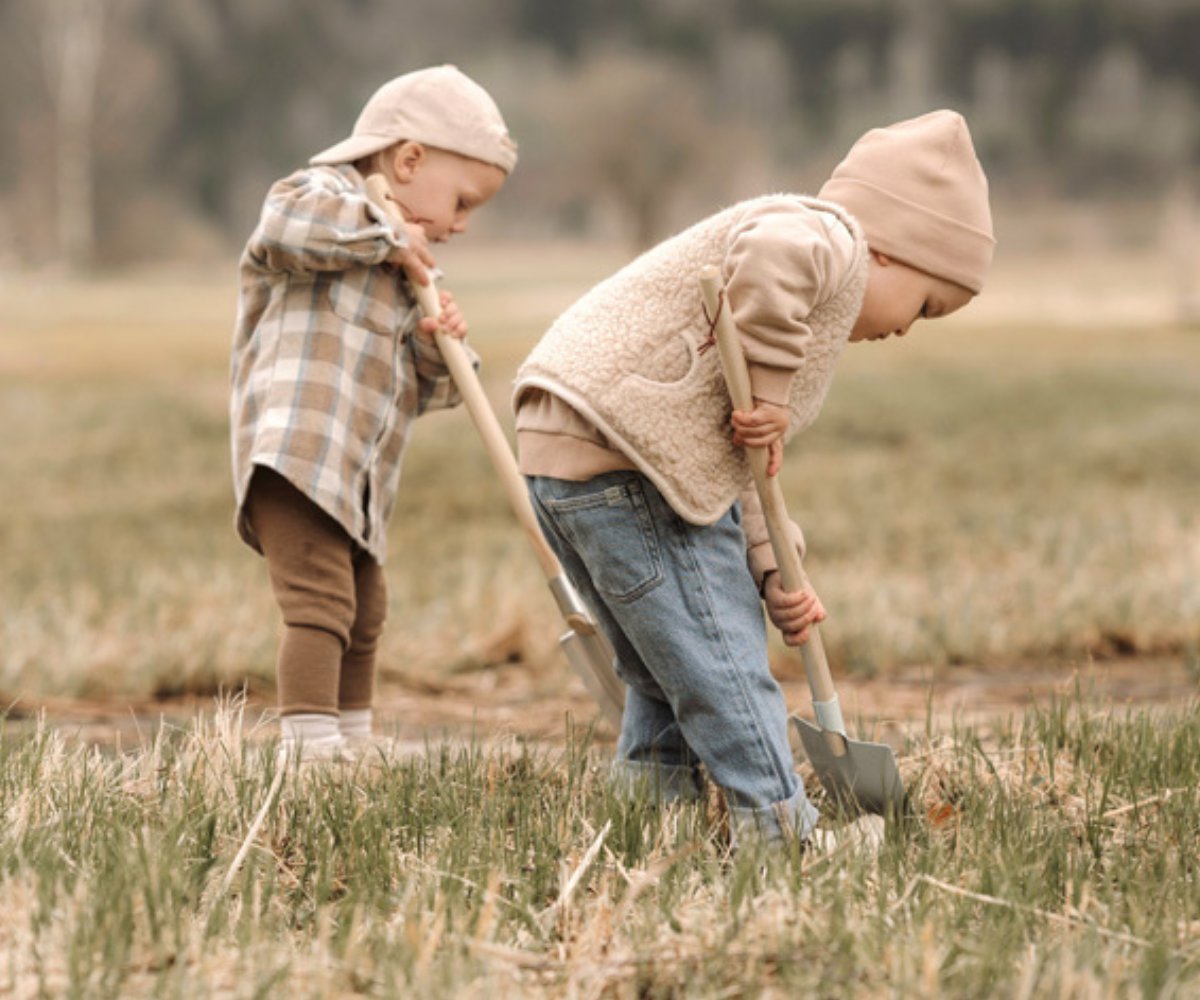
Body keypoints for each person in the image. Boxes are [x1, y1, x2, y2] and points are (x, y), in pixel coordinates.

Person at [513, 110, 994, 846]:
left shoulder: (798, 308)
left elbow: (739, 468)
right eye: (926, 306)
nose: (906, 329)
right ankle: (783, 835)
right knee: (726, 671)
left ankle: (648, 821)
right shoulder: (829, 236)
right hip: (625, 461)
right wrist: (771, 387)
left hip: (571, 457)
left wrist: (774, 570)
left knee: (664, 674)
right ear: (891, 251)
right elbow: (775, 253)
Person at [230, 65, 517, 761]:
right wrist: (387, 236)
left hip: (357, 477)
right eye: (461, 201)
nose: (460, 224)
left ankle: (351, 738)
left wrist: (437, 344)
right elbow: (282, 229)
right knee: (321, 602)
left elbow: (433, 394)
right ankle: (307, 743)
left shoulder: (404, 269)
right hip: (296, 456)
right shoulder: (320, 198)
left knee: (366, 608)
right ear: (408, 160)